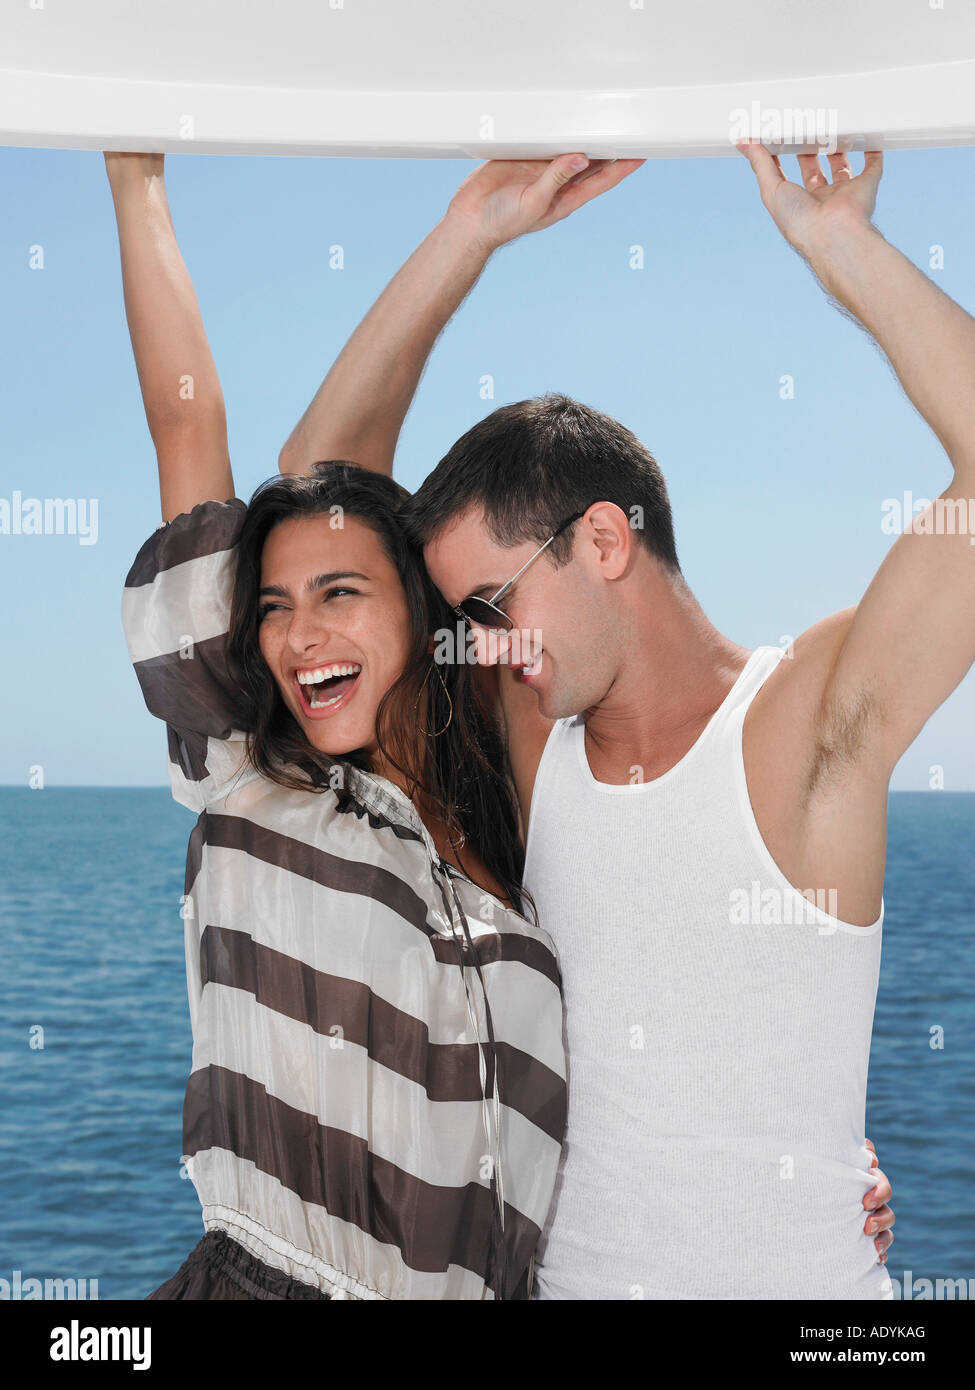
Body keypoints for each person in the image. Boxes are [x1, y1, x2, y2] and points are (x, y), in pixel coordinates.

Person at [283, 147, 908, 1298]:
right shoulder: (537, 744)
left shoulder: (811, 719)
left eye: (490, 603)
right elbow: (317, 500)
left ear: (605, 544)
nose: (473, 638)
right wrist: (468, 231)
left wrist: (839, 249)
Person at [106, 149, 631, 1298]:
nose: (299, 637)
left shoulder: (516, 819)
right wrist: (133, 161)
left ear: (421, 607)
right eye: (277, 608)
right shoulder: (247, 768)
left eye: (340, 594)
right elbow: (191, 431)